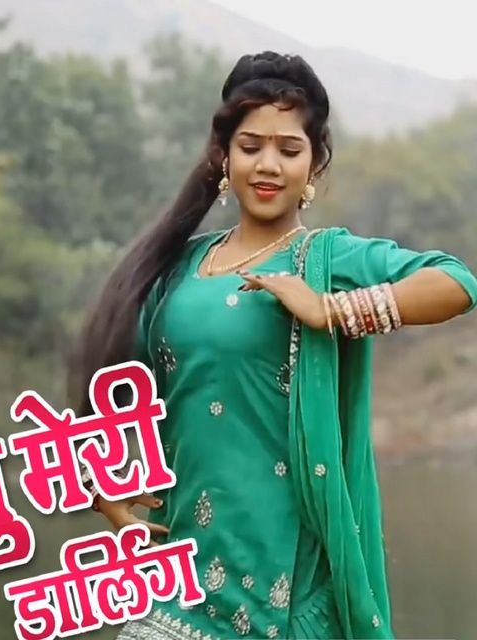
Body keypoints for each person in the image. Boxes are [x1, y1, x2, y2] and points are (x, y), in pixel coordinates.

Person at [74, 51, 477, 640]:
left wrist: (331, 310)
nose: (268, 165)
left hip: (281, 592)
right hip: (176, 583)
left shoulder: (325, 260)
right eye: (250, 146)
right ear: (224, 155)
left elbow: (457, 283)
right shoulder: (178, 270)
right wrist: (102, 479)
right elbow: (119, 390)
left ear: (315, 163)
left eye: (289, 150)